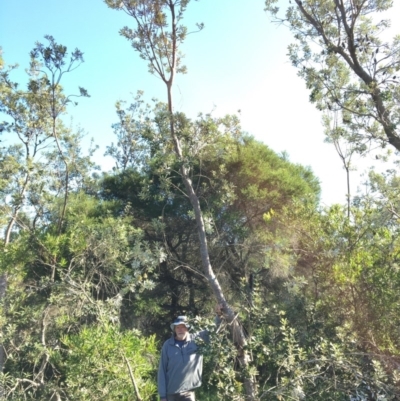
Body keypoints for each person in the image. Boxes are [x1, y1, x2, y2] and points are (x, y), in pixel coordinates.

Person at [157, 309, 222, 401]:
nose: (180, 330)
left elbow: (212, 330)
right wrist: (163, 396)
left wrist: (219, 314)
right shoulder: (167, 345)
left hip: (188, 392)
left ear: (188, 328)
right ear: (174, 329)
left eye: (183, 327)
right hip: (170, 393)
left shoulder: (197, 340)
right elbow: (162, 371)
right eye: (177, 327)